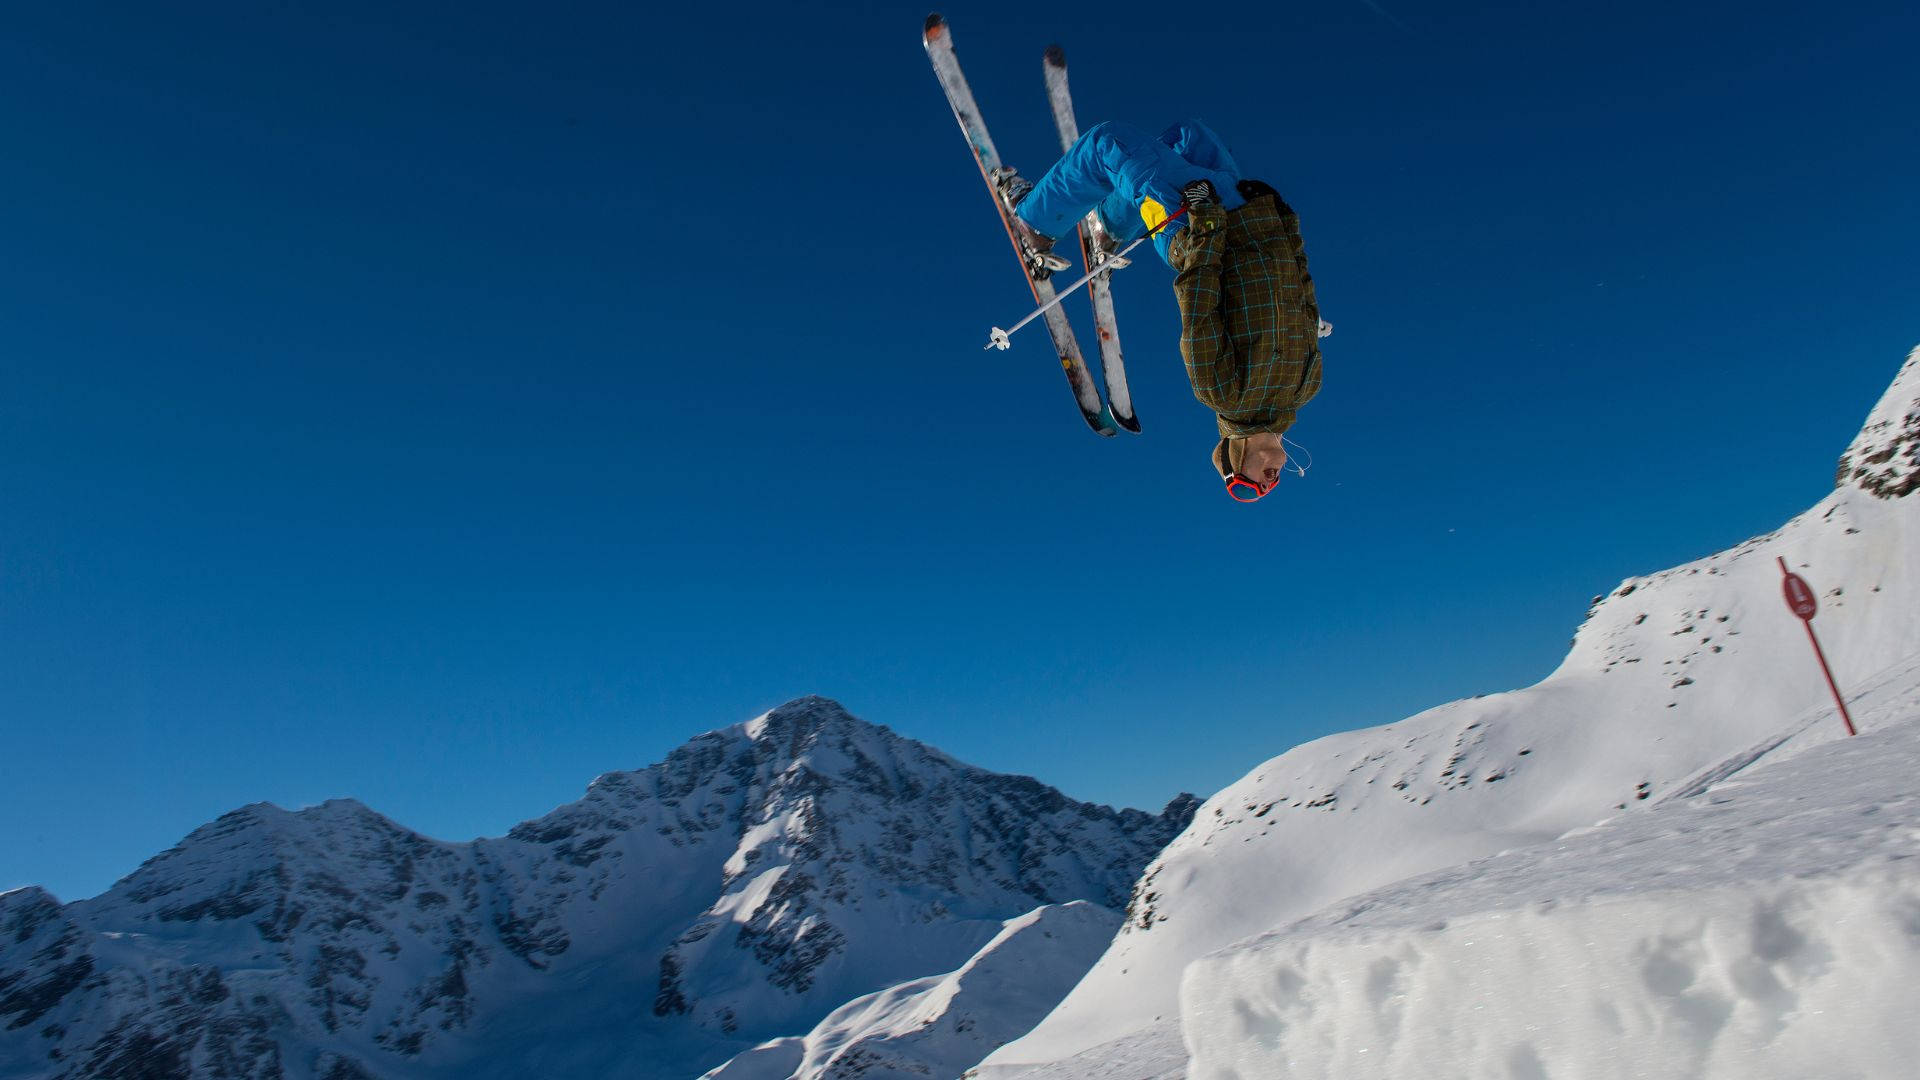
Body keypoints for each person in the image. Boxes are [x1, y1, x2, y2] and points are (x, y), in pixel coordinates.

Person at [1003, 120, 1324, 503]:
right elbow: (1303, 294)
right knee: (1191, 136)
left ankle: (1033, 223)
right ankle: (1109, 224)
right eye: (1265, 489)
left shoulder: (1221, 394)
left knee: (1108, 144)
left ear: (1234, 455)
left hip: (1197, 227)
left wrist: (1204, 221)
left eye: (1244, 488)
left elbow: (1197, 294)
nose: (1266, 485)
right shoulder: (1306, 388)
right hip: (1249, 214)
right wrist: (1286, 225)